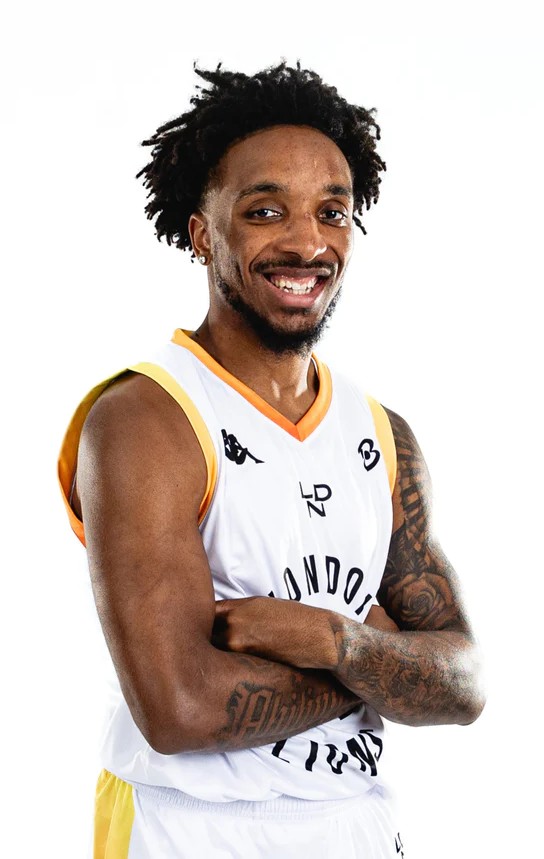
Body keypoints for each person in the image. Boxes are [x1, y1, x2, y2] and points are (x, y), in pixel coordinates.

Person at [58, 63, 485, 858]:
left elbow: (464, 683)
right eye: (265, 211)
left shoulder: (382, 432)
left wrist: (333, 640)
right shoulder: (146, 419)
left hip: (356, 824)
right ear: (201, 233)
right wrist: (390, 661)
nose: (306, 242)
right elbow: (180, 707)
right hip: (187, 829)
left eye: (332, 211)